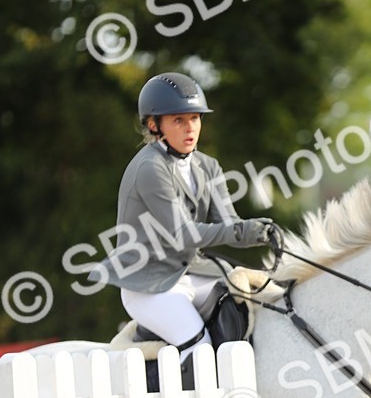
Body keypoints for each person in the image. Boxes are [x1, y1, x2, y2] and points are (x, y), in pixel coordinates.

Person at [96, 72, 274, 359]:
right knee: (200, 348)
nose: (190, 128)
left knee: (252, 308)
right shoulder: (150, 168)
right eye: (178, 120)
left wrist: (260, 233)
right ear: (154, 125)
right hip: (149, 285)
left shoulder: (209, 166)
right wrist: (241, 231)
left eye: (195, 118)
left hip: (191, 274)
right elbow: (182, 234)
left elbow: (229, 225)